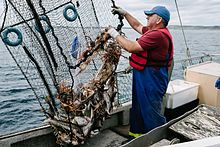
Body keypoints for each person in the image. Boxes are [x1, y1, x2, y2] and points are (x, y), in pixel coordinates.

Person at [107, 6, 174, 140]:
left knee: (151, 110)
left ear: (159, 19)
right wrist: (125, 14)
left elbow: (131, 47)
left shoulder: (158, 35)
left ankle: (158, 140)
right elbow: (137, 25)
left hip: (152, 78)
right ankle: (136, 135)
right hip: (143, 74)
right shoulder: (152, 31)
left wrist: (114, 34)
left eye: (150, 15)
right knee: (138, 107)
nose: (147, 17)